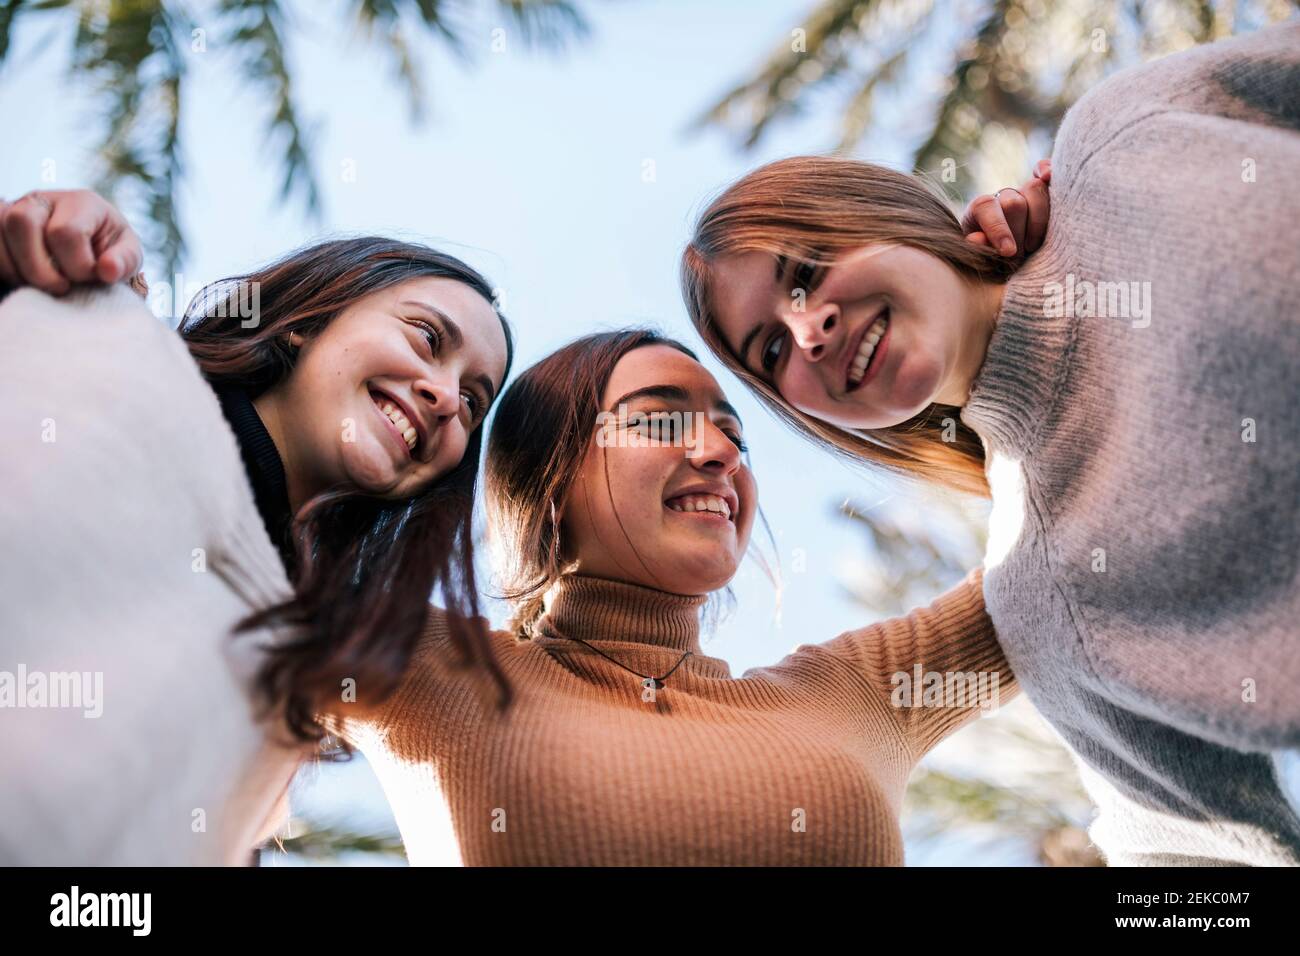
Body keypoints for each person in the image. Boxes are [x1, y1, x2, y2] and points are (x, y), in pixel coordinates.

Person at [680, 19, 1300, 864]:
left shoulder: (1117, 145)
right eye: (773, 351)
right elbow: (1197, 864)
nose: (810, 328)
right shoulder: (1044, 594)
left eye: (807, 269)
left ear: (887, 212)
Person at [319, 329, 1018, 865]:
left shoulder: (853, 696)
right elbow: (237, 530)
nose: (721, 452)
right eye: (660, 421)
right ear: (546, 478)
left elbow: (1069, 567)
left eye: (734, 433)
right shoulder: (433, 669)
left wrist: (1008, 293)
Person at [0, 191, 513, 863]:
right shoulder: (103, 347)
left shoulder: (290, 673)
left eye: (473, 402)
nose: (446, 397)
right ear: (309, 319)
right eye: (426, 337)